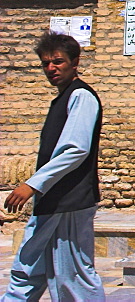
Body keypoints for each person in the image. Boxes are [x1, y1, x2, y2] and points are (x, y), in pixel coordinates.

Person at [3, 33, 105, 301]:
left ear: (75, 62)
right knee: (28, 268)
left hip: (70, 202)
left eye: (58, 62)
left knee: (74, 276)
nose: (51, 69)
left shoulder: (81, 96)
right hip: (52, 202)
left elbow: (75, 149)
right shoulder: (62, 99)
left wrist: (32, 184)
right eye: (46, 63)